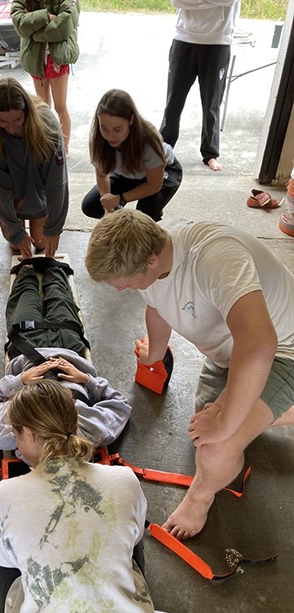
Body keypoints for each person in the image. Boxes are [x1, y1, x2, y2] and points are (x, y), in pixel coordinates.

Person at [85, 209, 294, 540]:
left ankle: (200, 499)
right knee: (204, 422)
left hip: (283, 349)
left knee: (214, 446)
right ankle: (266, 410)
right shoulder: (152, 252)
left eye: (125, 284)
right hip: (230, 350)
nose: (123, 291)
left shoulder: (217, 259)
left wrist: (226, 420)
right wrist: (154, 352)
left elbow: (259, 344)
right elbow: (155, 304)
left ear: (152, 261)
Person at [0, 379, 155, 612]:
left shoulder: (7, 493)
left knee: (7, 552)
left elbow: (3, 558)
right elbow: (133, 540)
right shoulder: (125, 479)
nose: (18, 445)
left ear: (31, 435)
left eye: (17, 436)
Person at [0, 261, 132, 452]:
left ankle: (27, 272)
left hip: (27, 348)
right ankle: (53, 268)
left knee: (26, 295)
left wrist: (20, 380)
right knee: (59, 294)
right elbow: (120, 406)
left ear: (29, 435)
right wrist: (86, 379)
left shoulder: (10, 430)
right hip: (67, 346)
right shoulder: (89, 429)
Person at [0, 78, 68, 259]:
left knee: (41, 243)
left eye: (17, 120)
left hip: (37, 188)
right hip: (13, 193)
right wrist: (15, 232)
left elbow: (58, 183)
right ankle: (19, 224)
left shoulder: (48, 127)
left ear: (27, 111)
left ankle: (37, 214)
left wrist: (55, 227)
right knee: (18, 246)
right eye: (3, 121)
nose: (11, 127)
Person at [159, 0, 241, 171]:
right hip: (183, 38)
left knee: (212, 103)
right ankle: (163, 147)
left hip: (218, 41)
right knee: (174, 100)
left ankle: (210, 153)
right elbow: (177, 1)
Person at [82, 89, 182, 222]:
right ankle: (123, 227)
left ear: (131, 120)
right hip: (127, 173)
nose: (110, 136)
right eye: (104, 128)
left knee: (146, 212)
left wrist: (119, 199)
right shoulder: (98, 139)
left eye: (117, 129)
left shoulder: (149, 140)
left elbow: (154, 185)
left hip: (162, 173)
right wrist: (108, 207)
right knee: (91, 205)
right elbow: (101, 175)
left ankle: (145, 231)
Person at [10, 0, 80, 156]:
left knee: (60, 106)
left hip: (57, 58)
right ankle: (44, 143)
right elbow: (19, 22)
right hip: (35, 58)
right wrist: (48, 16)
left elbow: (68, 22)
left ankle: (64, 147)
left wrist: (34, 28)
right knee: (42, 107)